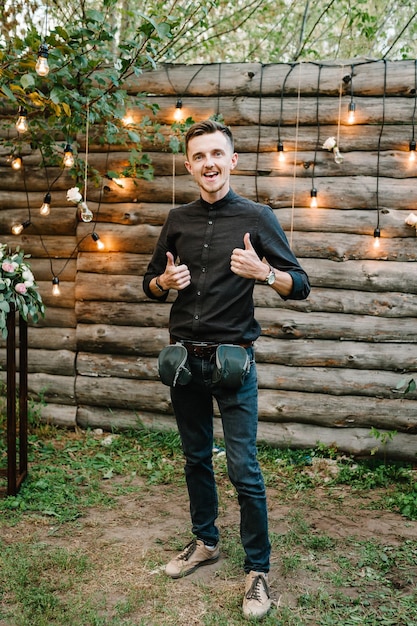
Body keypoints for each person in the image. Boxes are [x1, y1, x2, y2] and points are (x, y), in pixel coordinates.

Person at [143, 119, 310, 620]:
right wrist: (164, 282)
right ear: (190, 164)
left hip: (234, 363)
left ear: (232, 161)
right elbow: (149, 283)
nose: (209, 164)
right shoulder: (177, 218)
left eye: (218, 154)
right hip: (184, 363)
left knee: (243, 468)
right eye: (199, 156)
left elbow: (300, 284)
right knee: (196, 458)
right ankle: (205, 542)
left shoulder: (258, 217)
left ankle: (257, 571)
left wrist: (266, 273)